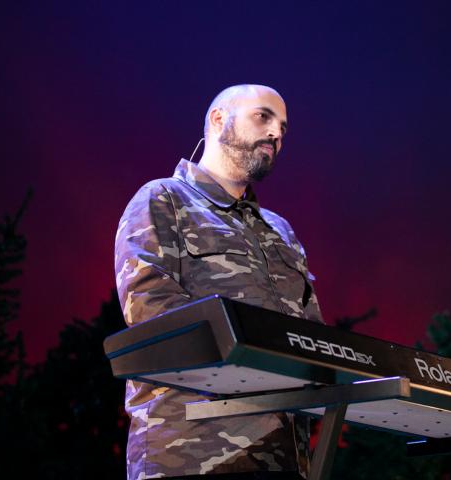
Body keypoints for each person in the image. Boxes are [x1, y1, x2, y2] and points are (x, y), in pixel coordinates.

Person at [114, 84, 324, 480]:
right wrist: (257, 359)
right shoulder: (162, 199)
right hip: (190, 453)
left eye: (283, 127)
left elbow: (313, 335)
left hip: (283, 456)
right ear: (218, 119)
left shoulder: (281, 231)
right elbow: (150, 310)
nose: (276, 133)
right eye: (263, 117)